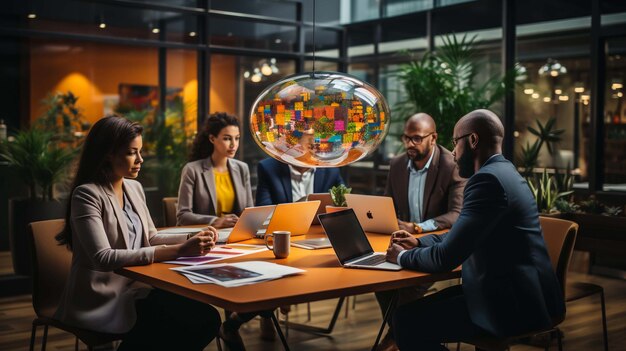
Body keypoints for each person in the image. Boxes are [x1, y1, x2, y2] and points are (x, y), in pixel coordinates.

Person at [387, 109, 565, 350]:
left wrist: (401, 256)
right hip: (512, 290)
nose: (453, 152)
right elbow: (460, 234)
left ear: (472, 141)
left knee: (405, 321)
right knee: (405, 314)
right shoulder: (503, 172)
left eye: (455, 143)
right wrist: (419, 243)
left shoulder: (487, 182)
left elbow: (444, 259)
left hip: (511, 304)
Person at [54, 116, 220, 350]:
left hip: (137, 287)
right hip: (102, 294)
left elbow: (151, 237)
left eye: (140, 152)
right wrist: (180, 250)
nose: (140, 160)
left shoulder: (134, 187)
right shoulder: (87, 194)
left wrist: (191, 238)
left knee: (206, 317)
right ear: (108, 153)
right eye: (132, 152)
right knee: (186, 320)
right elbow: (103, 258)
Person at [375, 113, 465, 351]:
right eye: (406, 138)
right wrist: (390, 221)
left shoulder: (451, 164)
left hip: (434, 243)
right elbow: (387, 204)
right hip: (402, 239)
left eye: (416, 139)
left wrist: (418, 227)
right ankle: (399, 333)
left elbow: (457, 214)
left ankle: (397, 336)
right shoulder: (397, 164)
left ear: (433, 138)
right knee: (379, 279)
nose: (409, 145)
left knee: (406, 286)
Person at [177, 112, 254, 227]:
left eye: (237, 138)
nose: (233, 144)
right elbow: (183, 216)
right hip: (205, 237)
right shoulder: (192, 170)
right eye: (227, 139)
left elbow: (249, 212)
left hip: (236, 236)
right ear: (212, 138)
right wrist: (215, 221)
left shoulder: (242, 168)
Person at [256, 129, 344, 206]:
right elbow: (263, 210)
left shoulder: (331, 170)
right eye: (305, 146)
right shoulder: (267, 168)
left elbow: (345, 202)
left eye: (314, 145)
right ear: (291, 146)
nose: (312, 150)